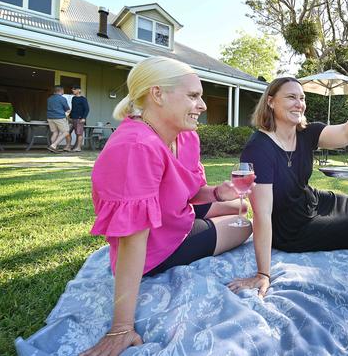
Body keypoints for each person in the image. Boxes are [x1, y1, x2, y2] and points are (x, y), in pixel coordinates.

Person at [81, 56, 253, 356]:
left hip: (174, 213)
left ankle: (207, 219)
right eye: (193, 96)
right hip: (157, 246)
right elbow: (133, 241)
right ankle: (198, 231)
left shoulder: (186, 136)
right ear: (157, 94)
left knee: (238, 206)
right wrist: (121, 328)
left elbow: (192, 192)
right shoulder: (135, 146)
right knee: (245, 226)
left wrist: (216, 192)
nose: (202, 106)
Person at [227, 76, 348, 297]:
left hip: (309, 200)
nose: (299, 103)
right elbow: (262, 214)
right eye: (291, 97)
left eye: (302, 98)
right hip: (290, 227)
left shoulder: (306, 133)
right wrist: (263, 273)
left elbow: (346, 134)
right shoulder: (258, 148)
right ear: (271, 102)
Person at [46, 85, 71, 153]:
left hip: (50, 117)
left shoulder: (49, 98)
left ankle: (53, 148)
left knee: (55, 132)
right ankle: (54, 145)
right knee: (66, 132)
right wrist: (67, 113)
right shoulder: (62, 99)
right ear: (61, 90)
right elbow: (67, 109)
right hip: (59, 117)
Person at [65, 85, 89, 152]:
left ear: (79, 90)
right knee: (67, 132)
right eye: (72, 89)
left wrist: (84, 118)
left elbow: (87, 109)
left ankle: (78, 148)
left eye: (74, 89)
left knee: (79, 134)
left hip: (79, 119)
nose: (73, 90)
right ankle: (68, 147)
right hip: (72, 119)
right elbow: (73, 109)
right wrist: (69, 116)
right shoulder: (73, 98)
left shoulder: (83, 99)